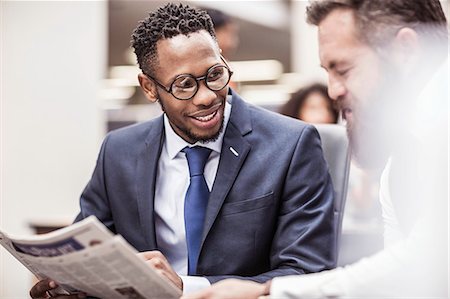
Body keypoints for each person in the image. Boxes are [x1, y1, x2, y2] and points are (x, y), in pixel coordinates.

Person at [29, 3, 336, 298]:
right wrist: (69, 286)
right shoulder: (118, 152)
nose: (205, 97)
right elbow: (87, 258)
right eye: (184, 85)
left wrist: (187, 288)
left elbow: (306, 272)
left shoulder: (291, 145)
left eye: (215, 75)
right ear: (149, 88)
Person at [182, 0, 448, 298]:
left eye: (343, 69)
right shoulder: (401, 162)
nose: (333, 90)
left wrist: (268, 290)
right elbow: (401, 283)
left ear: (406, 51)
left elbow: (424, 261)